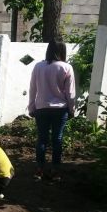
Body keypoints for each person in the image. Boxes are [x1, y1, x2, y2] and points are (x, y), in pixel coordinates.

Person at [28, 40, 76, 182]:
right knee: (57, 140)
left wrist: (31, 107)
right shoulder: (66, 67)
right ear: (62, 50)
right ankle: (55, 171)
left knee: (42, 139)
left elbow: (33, 88)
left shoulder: (38, 66)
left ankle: (39, 169)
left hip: (41, 108)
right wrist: (72, 110)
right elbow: (70, 93)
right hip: (60, 109)